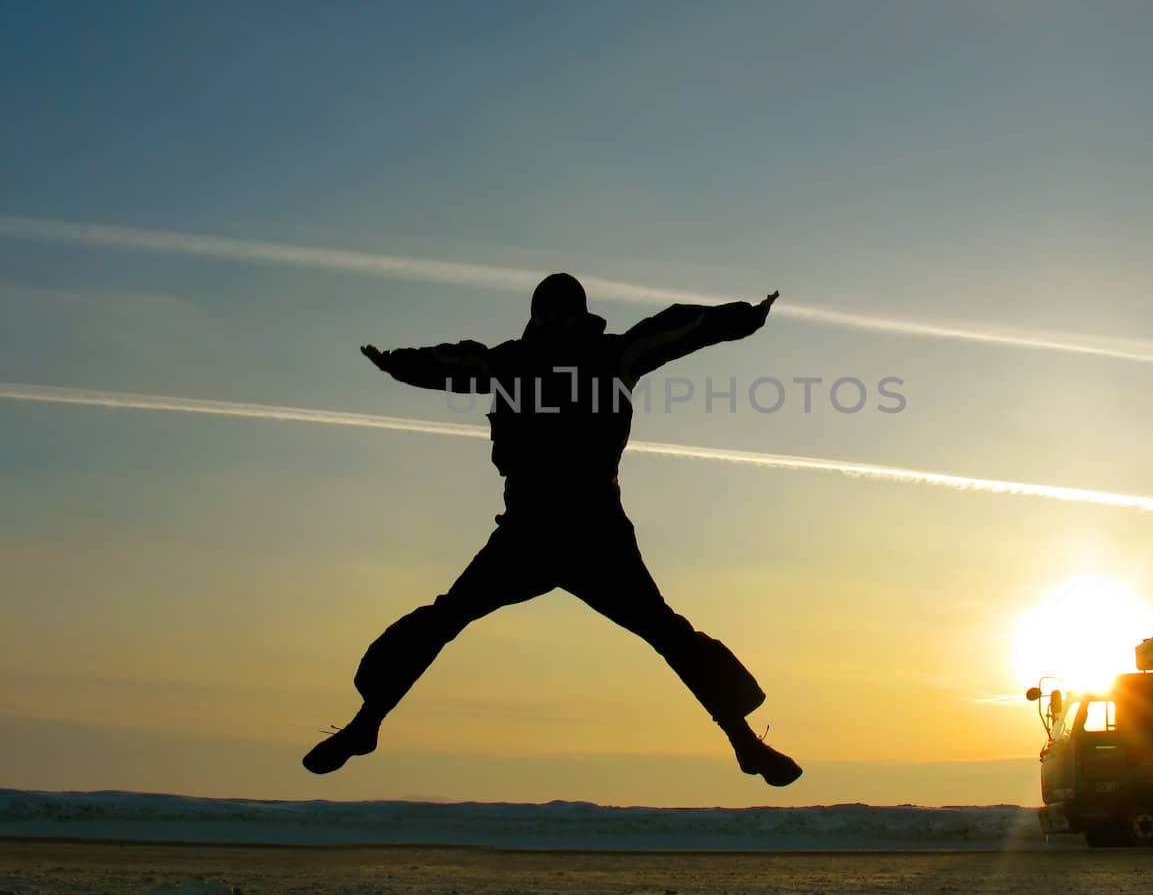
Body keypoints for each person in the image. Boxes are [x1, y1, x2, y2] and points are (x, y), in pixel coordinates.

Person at [302, 273, 802, 786]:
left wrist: (744, 316)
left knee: (668, 632)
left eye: (564, 313)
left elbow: (681, 328)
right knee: (445, 616)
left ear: (579, 315)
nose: (556, 322)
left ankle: (744, 743)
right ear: (536, 316)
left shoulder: (615, 356)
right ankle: (365, 725)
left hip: (597, 533)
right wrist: (397, 362)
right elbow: (453, 363)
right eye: (547, 314)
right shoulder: (509, 364)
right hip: (527, 533)